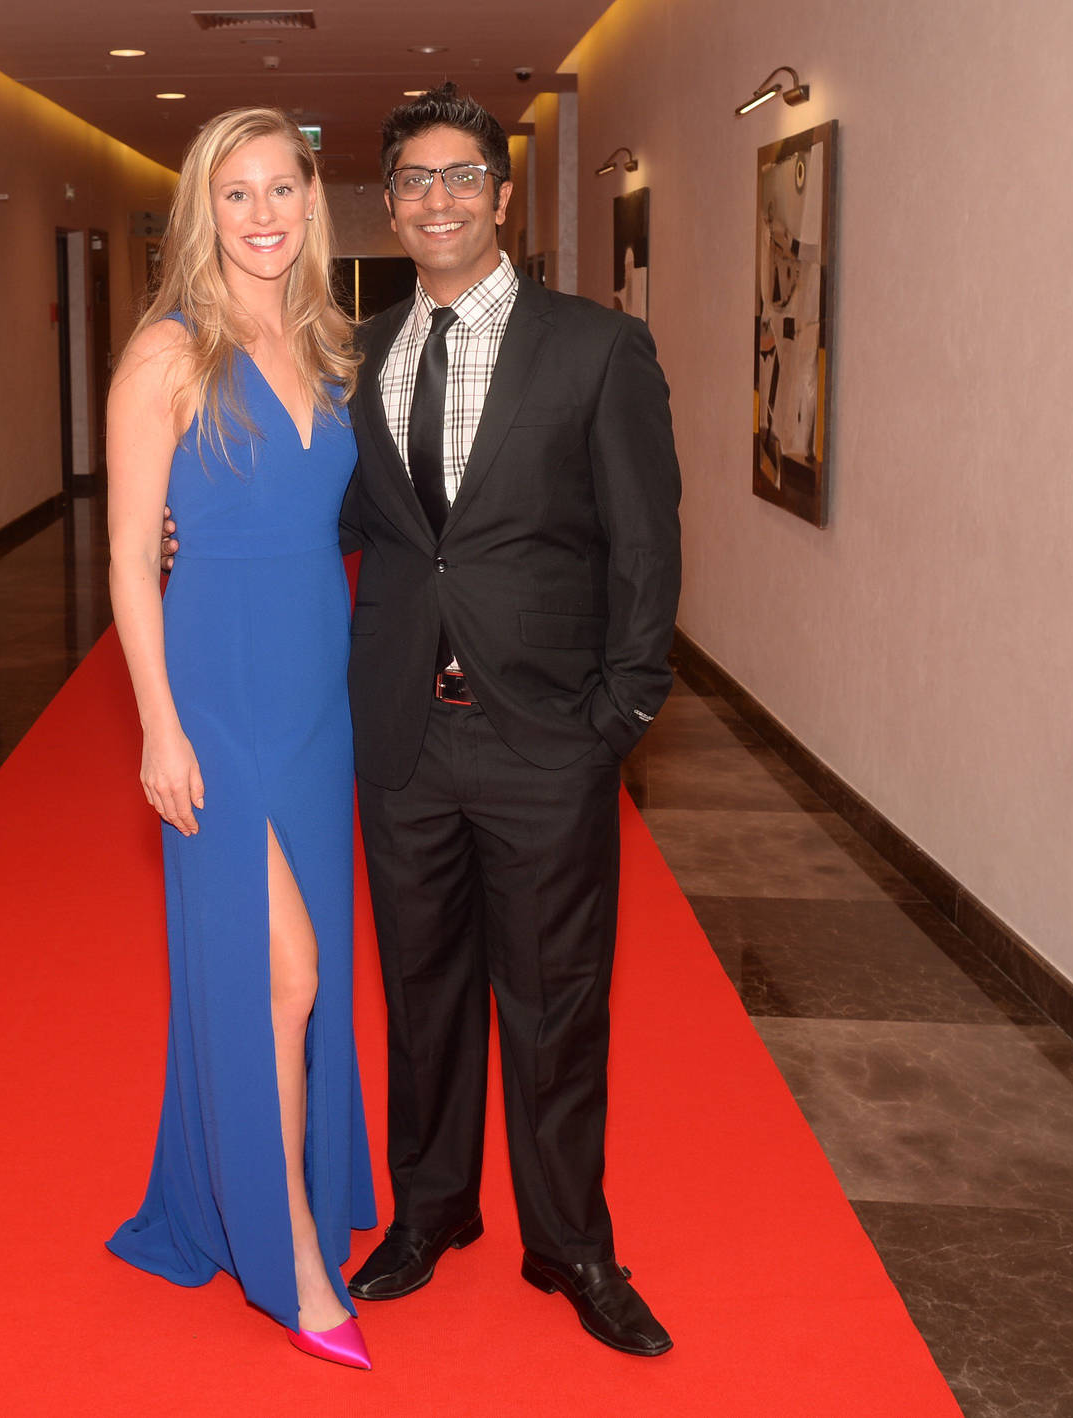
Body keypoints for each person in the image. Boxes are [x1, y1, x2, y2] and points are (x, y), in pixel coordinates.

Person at [335, 85, 681, 1357]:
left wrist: (621, 710)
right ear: (391, 202)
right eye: (414, 180)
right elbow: (358, 526)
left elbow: (647, 544)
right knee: (420, 992)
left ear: (500, 193)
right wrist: (180, 525)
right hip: (404, 738)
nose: (437, 200)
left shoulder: (594, 348)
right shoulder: (356, 353)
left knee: (554, 999)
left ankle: (572, 1242)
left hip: (546, 738)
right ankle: (430, 1211)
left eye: (460, 177)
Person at [104, 105, 377, 1371]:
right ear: (201, 211)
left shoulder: (326, 344)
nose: (264, 216)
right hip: (215, 698)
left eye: (284, 191)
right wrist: (160, 725)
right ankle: (293, 1259)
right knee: (291, 970)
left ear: (312, 204)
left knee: (289, 975)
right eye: (238, 194)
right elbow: (128, 560)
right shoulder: (166, 354)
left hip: (318, 704)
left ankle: (240, 1194)